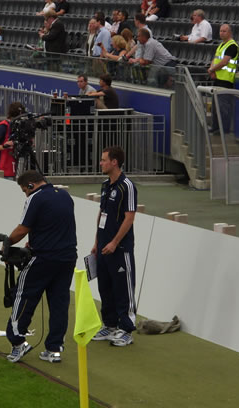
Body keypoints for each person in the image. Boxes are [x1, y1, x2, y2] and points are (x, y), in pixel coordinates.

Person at [3, 170, 77, 363]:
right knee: (59, 304)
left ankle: (18, 341)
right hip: (67, 258)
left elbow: (23, 229)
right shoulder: (65, 196)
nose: (25, 194)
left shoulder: (35, 198)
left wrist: (7, 244)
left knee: (23, 296)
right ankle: (54, 349)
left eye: (24, 190)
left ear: (30, 185)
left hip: (43, 258)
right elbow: (54, 225)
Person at [91, 146, 137, 347]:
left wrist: (114, 242)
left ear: (114, 162)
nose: (101, 163)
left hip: (120, 248)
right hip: (103, 246)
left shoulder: (127, 186)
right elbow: (101, 214)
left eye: (103, 160)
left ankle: (126, 329)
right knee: (105, 287)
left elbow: (130, 218)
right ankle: (109, 325)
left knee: (123, 288)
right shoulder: (105, 185)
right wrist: (97, 241)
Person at [208, 24, 239, 133]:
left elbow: (224, 62)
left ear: (230, 33)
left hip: (226, 81)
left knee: (223, 107)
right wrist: (212, 69)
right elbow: (215, 59)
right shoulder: (221, 45)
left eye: (224, 31)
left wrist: (212, 69)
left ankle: (223, 129)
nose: (221, 33)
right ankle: (215, 127)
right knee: (215, 106)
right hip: (218, 79)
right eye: (220, 31)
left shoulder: (232, 46)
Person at [0, 101, 24, 179]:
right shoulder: (3, 126)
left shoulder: (18, 127)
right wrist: (4, 146)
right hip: (1, 170)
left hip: (12, 167)